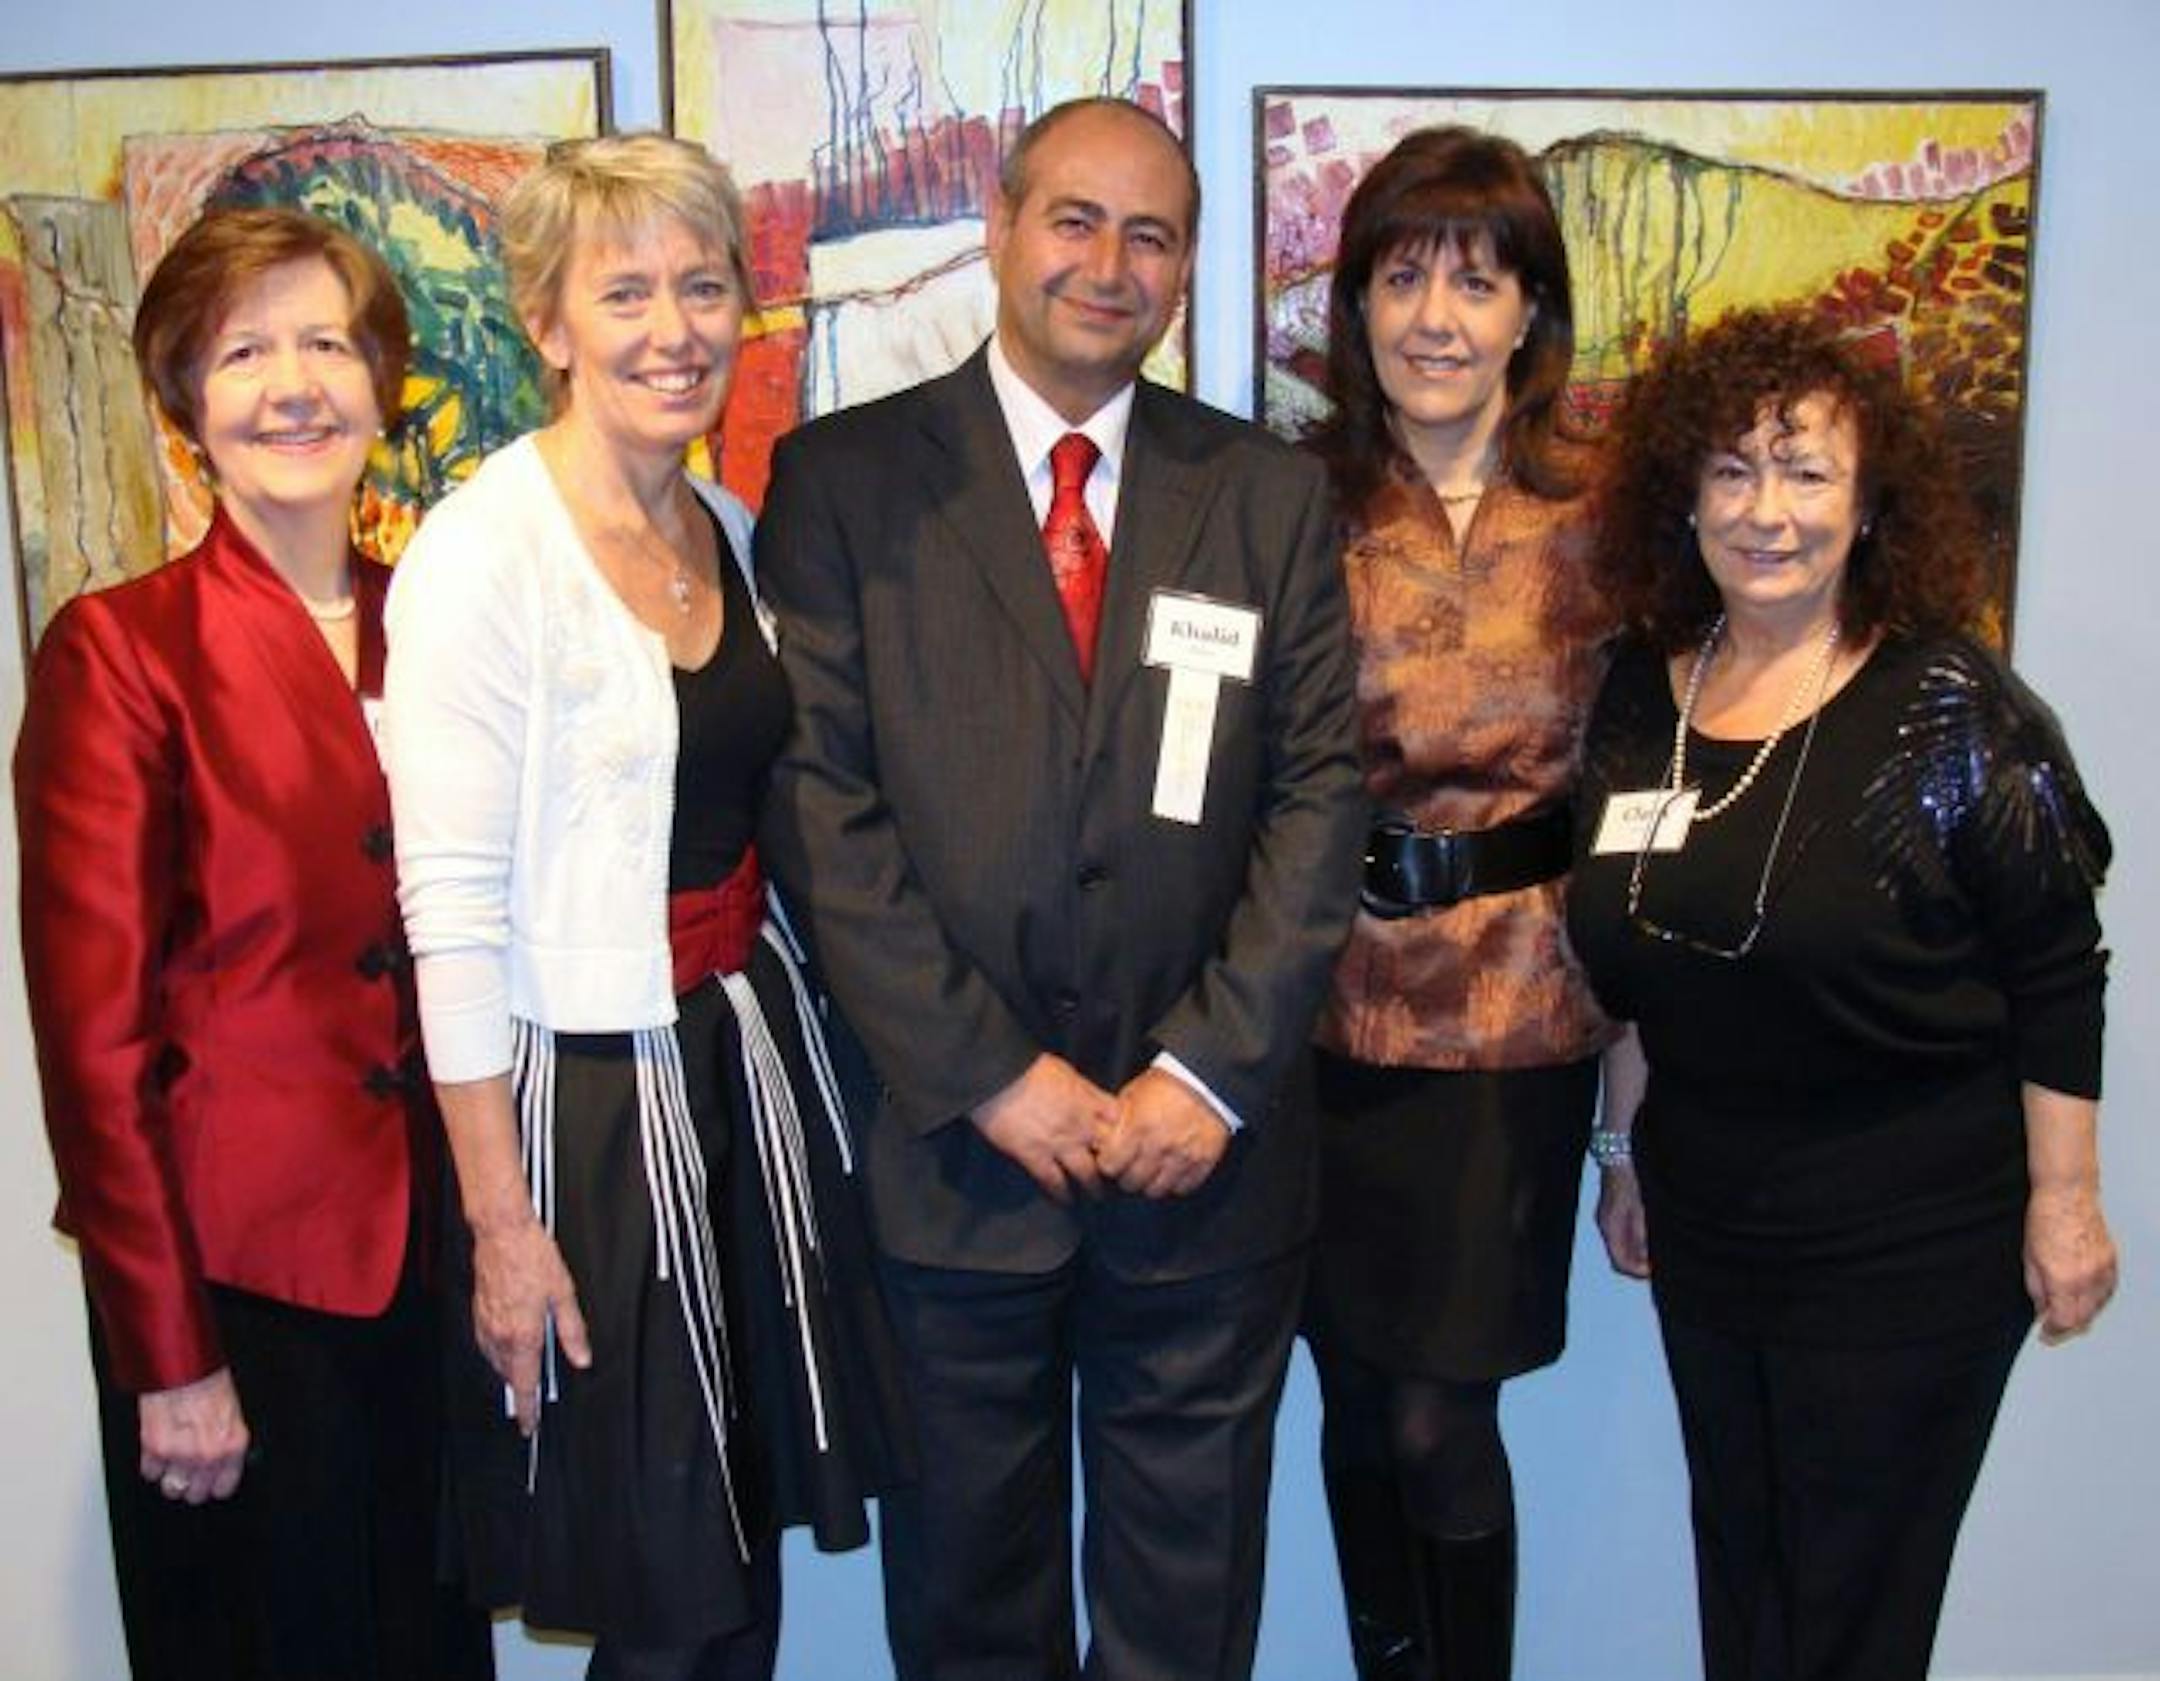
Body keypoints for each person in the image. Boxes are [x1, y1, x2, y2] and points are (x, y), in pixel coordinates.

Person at [755, 96, 1365, 1681]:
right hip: (957, 1170)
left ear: (1185, 269)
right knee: (969, 1616)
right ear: (1001, 231)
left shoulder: (1269, 497)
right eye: (1075, 220)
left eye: (1149, 233)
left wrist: (1210, 1074)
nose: (1109, 263)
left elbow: (1318, 800)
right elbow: (821, 806)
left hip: (1205, 1177)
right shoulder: (840, 483)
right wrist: (985, 1074)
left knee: (1185, 1619)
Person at [381, 133, 909, 1681]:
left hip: (745, 1071)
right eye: (626, 292)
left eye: (701, 286)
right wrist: (501, 1226)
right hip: (591, 1115)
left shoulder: (729, 532)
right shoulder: (483, 559)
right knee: (668, 1586)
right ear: (548, 323)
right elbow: (450, 919)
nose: (675, 328)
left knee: (737, 1570)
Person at [1567, 305, 2118, 1681]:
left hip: (1908, 1237)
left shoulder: (1950, 705)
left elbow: (2056, 963)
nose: (1768, 512)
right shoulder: (1647, 691)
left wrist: (2067, 1200)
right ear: (1682, 493)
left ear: (1870, 505)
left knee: (1852, 1613)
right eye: (1734, 469)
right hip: (1712, 1222)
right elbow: (1638, 957)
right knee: (1746, 1580)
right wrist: (1624, 1151)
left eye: (1807, 473)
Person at [14, 207, 492, 1681]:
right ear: (186, 405)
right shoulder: (122, 649)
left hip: (427, 1271)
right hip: (237, 1288)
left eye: (328, 344)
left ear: (381, 383)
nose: (294, 384)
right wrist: (169, 1356)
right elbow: (95, 1053)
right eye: (244, 351)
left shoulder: (445, 630)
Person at [1300, 127, 1615, 1681]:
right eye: (1402, 275)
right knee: (1353, 1396)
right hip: (1321, 1021)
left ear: (1528, 316)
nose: (1436, 315)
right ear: (1354, 304)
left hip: (1519, 1020)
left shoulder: (1605, 514)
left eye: (1475, 282)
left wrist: (1642, 1095)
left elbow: (1654, 779)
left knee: (1443, 1409)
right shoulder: (1290, 501)